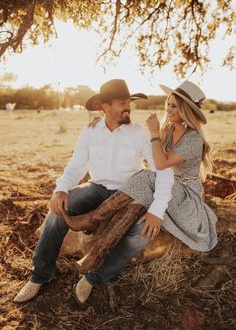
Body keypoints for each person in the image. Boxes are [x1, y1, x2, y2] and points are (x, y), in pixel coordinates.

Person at [14, 79, 174, 304]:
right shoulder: (90, 132)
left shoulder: (140, 134)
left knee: (141, 235)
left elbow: (163, 172)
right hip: (96, 188)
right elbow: (76, 166)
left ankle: (92, 277)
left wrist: (157, 210)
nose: (127, 107)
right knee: (58, 211)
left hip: (130, 195)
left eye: (129, 102)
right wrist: (61, 189)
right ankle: (40, 276)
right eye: (121, 102)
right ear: (104, 106)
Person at [63, 80, 218, 275]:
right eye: (168, 104)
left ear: (187, 110)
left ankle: (94, 218)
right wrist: (102, 121)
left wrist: (154, 132)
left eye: (174, 106)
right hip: (170, 191)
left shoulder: (194, 139)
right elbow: (143, 139)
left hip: (185, 199)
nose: (168, 110)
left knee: (144, 176)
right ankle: (93, 256)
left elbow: (161, 164)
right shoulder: (169, 130)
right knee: (140, 194)